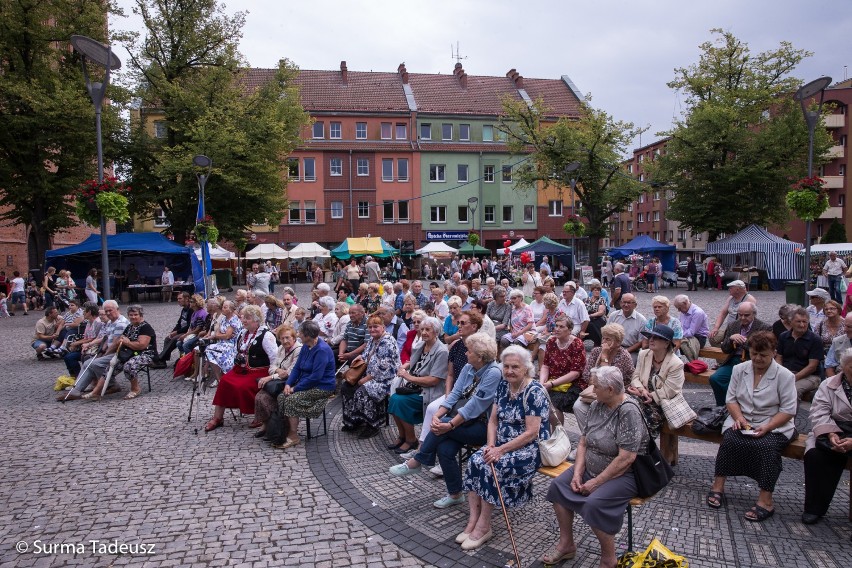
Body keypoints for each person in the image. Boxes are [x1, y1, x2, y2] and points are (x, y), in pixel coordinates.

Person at [543, 366, 648, 567]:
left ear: (610, 389)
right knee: (558, 487)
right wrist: (578, 472)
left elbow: (626, 459)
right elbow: (583, 442)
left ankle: (609, 558)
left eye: (596, 386)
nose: (591, 390)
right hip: (591, 466)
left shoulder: (628, 411)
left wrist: (595, 483)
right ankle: (567, 545)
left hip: (623, 474)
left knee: (594, 504)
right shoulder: (596, 404)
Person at [389, 333, 501, 510]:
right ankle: (456, 494)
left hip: (484, 427)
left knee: (440, 431)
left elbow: (475, 405)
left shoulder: (494, 372)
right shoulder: (469, 367)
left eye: (469, 351)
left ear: (480, 356)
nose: (465, 353)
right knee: (444, 449)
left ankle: (417, 460)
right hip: (462, 422)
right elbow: (454, 395)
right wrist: (438, 415)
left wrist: (448, 424)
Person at [458, 346, 549, 550]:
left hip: (528, 449)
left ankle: (484, 525)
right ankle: (473, 519)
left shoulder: (535, 392)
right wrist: (491, 445)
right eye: (506, 366)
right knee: (475, 460)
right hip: (500, 444)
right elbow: (492, 421)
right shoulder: (503, 386)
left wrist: (500, 450)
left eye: (515, 367)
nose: (509, 371)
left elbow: (531, 433)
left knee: (492, 466)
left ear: (526, 368)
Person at [706, 332, 797, 522]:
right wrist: (738, 418)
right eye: (754, 353)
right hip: (743, 419)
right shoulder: (740, 369)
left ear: (773, 353)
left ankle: (766, 500)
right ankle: (718, 486)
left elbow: (788, 410)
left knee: (767, 447)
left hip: (774, 423)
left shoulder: (785, 376)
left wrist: (768, 426)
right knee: (730, 440)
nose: (758, 358)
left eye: (763, 355)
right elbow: (731, 399)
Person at [204, 305, 278, 431]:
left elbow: (275, 358)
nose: (243, 320)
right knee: (224, 382)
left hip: (259, 371)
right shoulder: (243, 333)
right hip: (241, 369)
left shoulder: (266, 335)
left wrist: (271, 375)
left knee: (243, 386)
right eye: (243, 317)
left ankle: (260, 415)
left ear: (256, 320)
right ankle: (218, 417)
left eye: (247, 318)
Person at [802, 349, 852, 525]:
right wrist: (831, 434)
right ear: (844, 367)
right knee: (816, 456)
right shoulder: (829, 384)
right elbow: (819, 412)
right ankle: (814, 508)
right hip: (830, 432)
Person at [388, 317, 449, 454]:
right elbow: (414, 362)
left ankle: (411, 440)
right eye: (422, 330)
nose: (424, 332)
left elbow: (435, 380)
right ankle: (402, 436)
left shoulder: (441, 351)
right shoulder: (420, 346)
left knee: (400, 401)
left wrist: (409, 377)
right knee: (393, 399)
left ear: (436, 331)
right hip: (415, 387)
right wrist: (405, 366)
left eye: (428, 329)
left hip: (430, 391)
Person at [273, 321, 336, 449]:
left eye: (300, 333)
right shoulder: (305, 346)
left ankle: (293, 436)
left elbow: (316, 377)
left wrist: (295, 388)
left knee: (291, 400)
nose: (298, 334)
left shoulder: (322, 350)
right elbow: (296, 368)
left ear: (307, 335)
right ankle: (283, 431)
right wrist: (288, 384)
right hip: (305, 383)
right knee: (281, 396)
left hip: (322, 387)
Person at [341, 315, 400, 438]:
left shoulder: (387, 342)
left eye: (376, 326)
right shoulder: (373, 340)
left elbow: (384, 368)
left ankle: (372, 424)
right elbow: (366, 353)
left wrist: (366, 379)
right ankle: (354, 420)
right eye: (370, 327)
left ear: (383, 327)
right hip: (370, 374)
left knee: (363, 391)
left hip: (385, 379)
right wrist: (360, 357)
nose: (372, 329)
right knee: (346, 387)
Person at [58, 300, 129, 401]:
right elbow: (106, 338)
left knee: (94, 363)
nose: (108, 313)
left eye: (110, 310)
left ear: (117, 309)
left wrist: (104, 354)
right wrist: (102, 350)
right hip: (111, 351)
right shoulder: (110, 322)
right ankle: (76, 391)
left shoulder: (120, 323)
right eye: (106, 311)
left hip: (120, 353)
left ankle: (111, 384)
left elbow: (115, 344)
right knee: (88, 362)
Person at [574, 323, 637, 433]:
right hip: (596, 390)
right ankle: (589, 435)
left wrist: (604, 357)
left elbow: (610, 381)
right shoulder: (596, 351)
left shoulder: (624, 356)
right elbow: (586, 375)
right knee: (578, 406)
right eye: (604, 337)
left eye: (609, 339)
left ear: (618, 342)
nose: (604, 342)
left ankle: (606, 437)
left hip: (615, 394)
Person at [86, 305, 157, 401]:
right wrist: (108, 352)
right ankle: (96, 392)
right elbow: (120, 339)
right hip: (130, 353)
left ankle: (135, 389)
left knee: (129, 365)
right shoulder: (130, 326)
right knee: (111, 365)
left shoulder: (146, 327)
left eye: (135, 314)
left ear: (141, 315)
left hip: (145, 354)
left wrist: (127, 342)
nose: (133, 317)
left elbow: (142, 345)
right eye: (131, 315)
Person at [709, 302, 772, 406]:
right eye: (740, 314)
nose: (742, 318)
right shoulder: (733, 325)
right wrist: (730, 339)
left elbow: (762, 350)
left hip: (753, 362)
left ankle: (740, 407)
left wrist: (743, 341)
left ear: (754, 314)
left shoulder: (764, 327)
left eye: (746, 315)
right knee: (715, 379)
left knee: (746, 385)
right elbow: (725, 349)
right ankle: (723, 407)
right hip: (734, 360)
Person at [629, 324, 686, 438]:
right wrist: (641, 391)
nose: (651, 339)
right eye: (650, 336)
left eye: (656, 337)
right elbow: (635, 377)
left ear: (666, 343)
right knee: (626, 407)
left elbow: (670, 390)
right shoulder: (643, 354)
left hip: (661, 403)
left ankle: (643, 450)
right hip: (640, 396)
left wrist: (650, 396)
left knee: (641, 418)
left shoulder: (676, 363)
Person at [253, 325, 303, 438]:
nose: (285, 341)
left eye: (287, 338)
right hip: (279, 381)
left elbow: (290, 372)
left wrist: (271, 377)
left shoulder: (299, 350)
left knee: (271, 398)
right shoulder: (281, 348)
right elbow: (272, 367)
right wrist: (278, 371)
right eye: (282, 338)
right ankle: (266, 425)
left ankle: (280, 428)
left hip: (292, 382)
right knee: (259, 397)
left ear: (294, 338)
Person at [540, 315, 586, 422]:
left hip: (573, 383)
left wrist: (551, 384)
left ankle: (558, 434)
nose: (557, 329)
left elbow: (575, 373)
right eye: (556, 326)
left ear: (569, 330)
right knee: (536, 396)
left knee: (553, 403)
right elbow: (545, 365)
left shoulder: (577, 344)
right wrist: (542, 383)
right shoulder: (551, 342)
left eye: (561, 327)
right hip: (553, 380)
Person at [776, 307, 824, 401]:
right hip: (786, 373)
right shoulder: (783, 336)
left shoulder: (815, 339)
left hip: (810, 376)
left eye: (805, 322)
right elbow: (779, 358)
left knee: (793, 391)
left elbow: (812, 366)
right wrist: (780, 373)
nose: (802, 325)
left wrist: (792, 378)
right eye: (798, 321)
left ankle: (790, 415)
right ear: (791, 322)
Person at [201, 300, 243, 385]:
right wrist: (221, 335)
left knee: (209, 349)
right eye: (223, 306)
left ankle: (220, 378)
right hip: (222, 343)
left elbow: (227, 336)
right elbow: (218, 333)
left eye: (225, 307)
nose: (222, 309)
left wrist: (221, 335)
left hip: (231, 345)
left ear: (231, 310)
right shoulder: (224, 318)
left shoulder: (234, 320)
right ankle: (219, 378)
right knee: (208, 350)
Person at [709, 280, 757, 346]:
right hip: (729, 329)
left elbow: (751, 319)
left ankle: (731, 351)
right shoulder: (730, 298)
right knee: (713, 337)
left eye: (731, 288)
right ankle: (725, 353)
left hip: (741, 330)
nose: (729, 289)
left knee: (737, 342)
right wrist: (716, 328)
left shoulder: (749, 299)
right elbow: (722, 314)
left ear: (737, 289)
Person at [674, 294, 710, 361]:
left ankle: (692, 364)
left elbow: (691, 332)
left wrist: (677, 336)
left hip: (699, 338)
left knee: (675, 346)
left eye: (679, 308)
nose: (678, 310)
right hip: (686, 336)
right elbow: (679, 325)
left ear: (685, 303)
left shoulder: (698, 312)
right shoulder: (684, 310)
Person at [584, 282, 608, 346]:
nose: (597, 292)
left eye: (599, 290)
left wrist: (590, 316)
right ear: (592, 291)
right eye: (595, 290)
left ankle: (598, 342)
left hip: (598, 318)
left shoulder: (601, 299)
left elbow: (601, 312)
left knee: (592, 325)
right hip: (588, 317)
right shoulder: (587, 299)